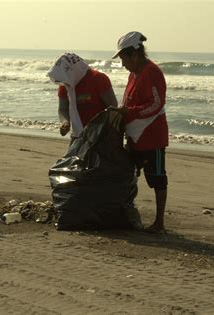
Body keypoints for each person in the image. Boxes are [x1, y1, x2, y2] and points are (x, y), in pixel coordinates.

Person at [111, 31, 169, 234]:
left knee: (157, 178)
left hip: (152, 136)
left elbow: (156, 103)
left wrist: (130, 112)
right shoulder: (133, 74)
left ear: (134, 55)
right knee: (126, 172)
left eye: (123, 59)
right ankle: (127, 212)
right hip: (135, 135)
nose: (123, 64)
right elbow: (128, 100)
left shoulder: (151, 72)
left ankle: (159, 222)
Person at [47, 52, 118, 143]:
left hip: (100, 135)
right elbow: (63, 109)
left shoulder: (98, 79)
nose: (62, 82)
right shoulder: (65, 84)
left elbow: (113, 107)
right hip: (78, 134)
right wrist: (65, 122)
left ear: (72, 70)